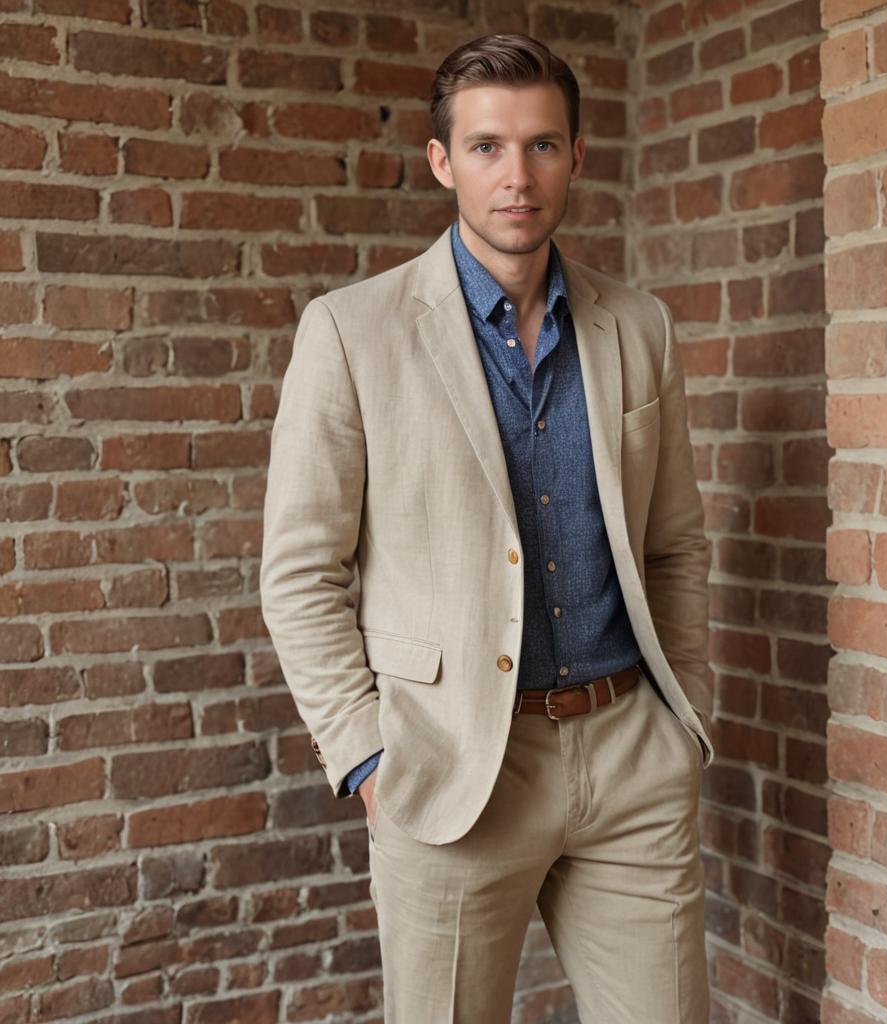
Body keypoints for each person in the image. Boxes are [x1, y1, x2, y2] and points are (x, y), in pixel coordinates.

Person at [260, 31, 714, 1024]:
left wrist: (684, 715)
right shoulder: (352, 330)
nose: (518, 174)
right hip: (453, 765)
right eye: (487, 147)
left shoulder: (638, 326)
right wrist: (368, 757)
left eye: (543, 145)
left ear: (576, 157)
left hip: (631, 752)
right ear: (441, 161)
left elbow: (675, 540)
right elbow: (299, 570)